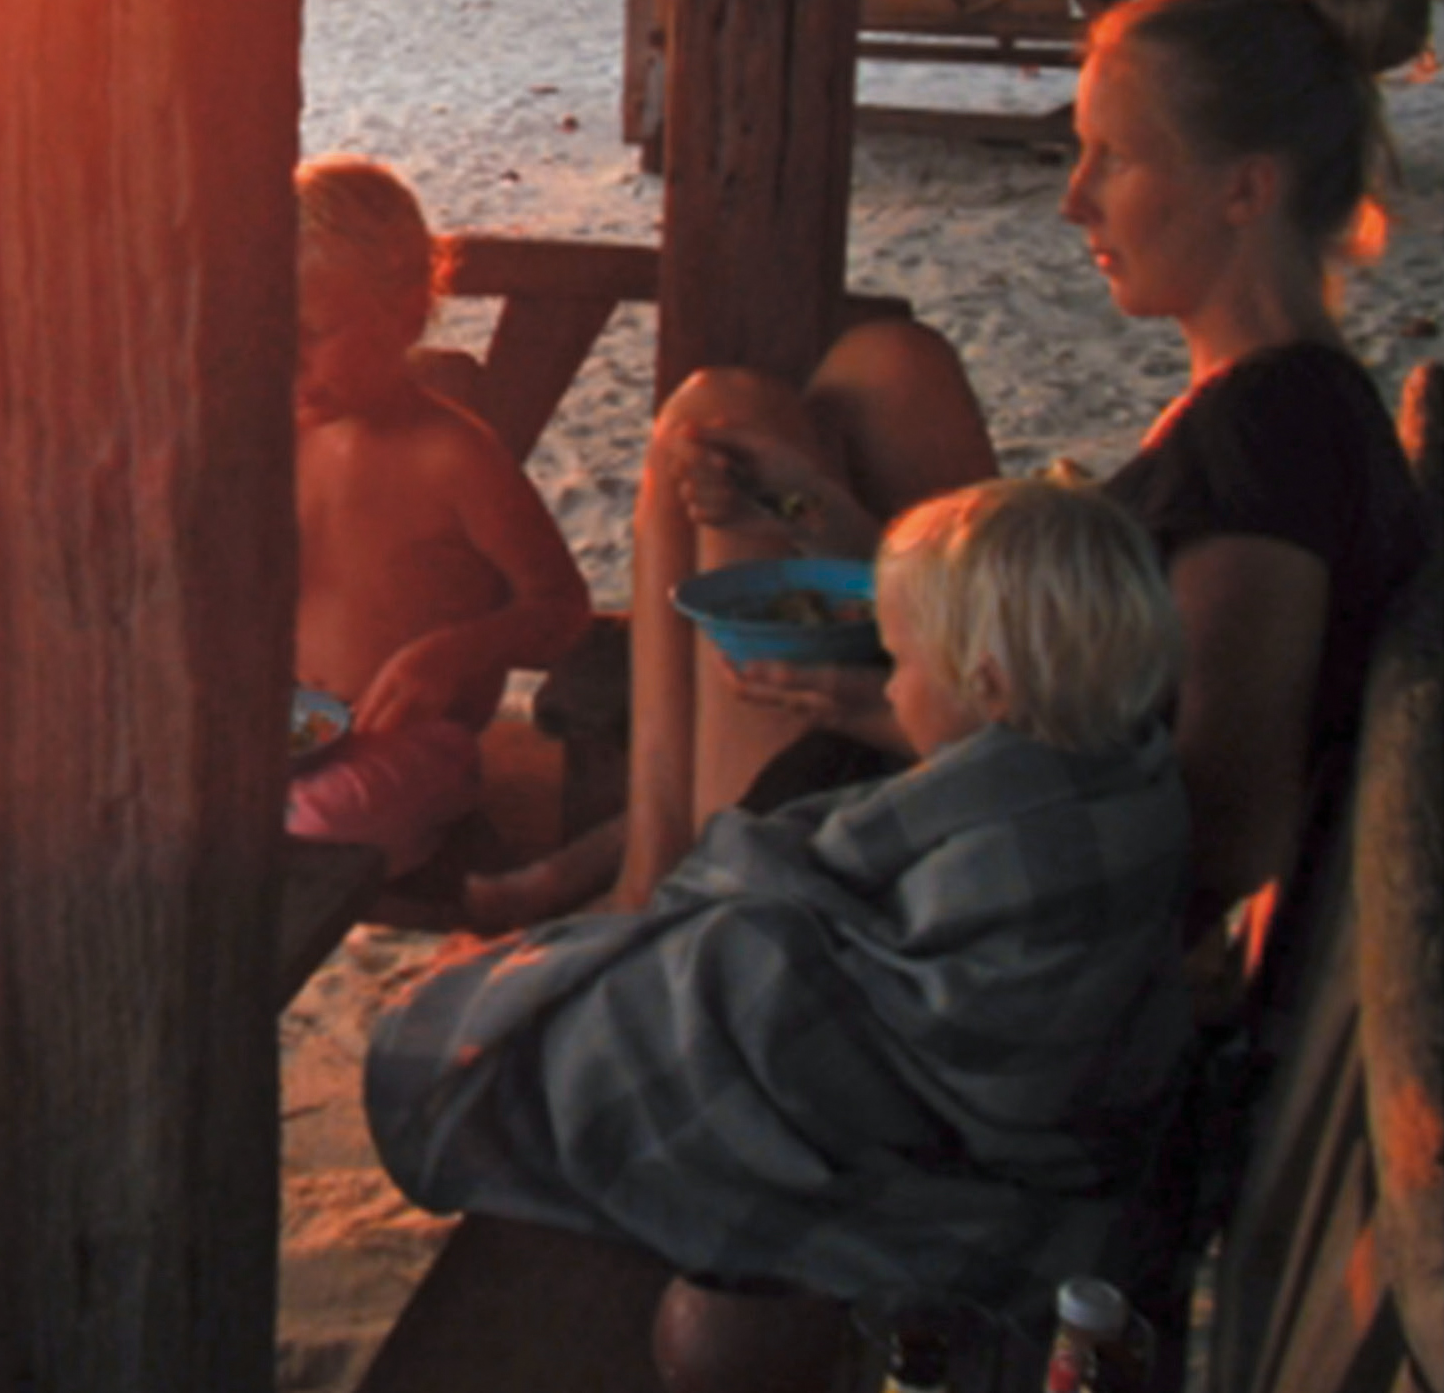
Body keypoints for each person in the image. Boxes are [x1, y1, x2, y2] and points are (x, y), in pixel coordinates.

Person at [474, 0, 1431, 958]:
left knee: (725, 406)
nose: (1075, 201)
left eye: (1115, 158)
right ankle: (645, 864)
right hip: (962, 822)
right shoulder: (1277, 406)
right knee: (886, 369)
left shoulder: (1267, 444)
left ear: (1244, 188)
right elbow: (1089, 679)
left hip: (938, 911)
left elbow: (1210, 834)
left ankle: (653, 884)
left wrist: (889, 713)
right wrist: (824, 517)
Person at [367, 478, 1197, 1319]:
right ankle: (524, 1003)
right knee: (696, 949)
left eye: (900, 663)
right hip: (1047, 1118)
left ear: (986, 686)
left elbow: (892, 1016)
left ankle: (481, 1054)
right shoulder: (1118, 770)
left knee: (693, 983)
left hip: (955, 1138)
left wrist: (762, 921)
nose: (893, 689)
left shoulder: (1036, 841)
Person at [285, 157, 591, 877]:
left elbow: (561, 611)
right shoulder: (278, 440)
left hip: (412, 745)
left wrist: (452, 652)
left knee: (322, 820)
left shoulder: (451, 457)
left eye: (312, 333)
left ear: (406, 313)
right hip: (288, 732)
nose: (285, 359)